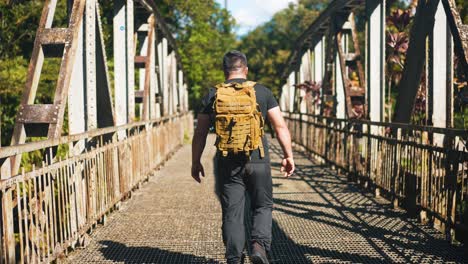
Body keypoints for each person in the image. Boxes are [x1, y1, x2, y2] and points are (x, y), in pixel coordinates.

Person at [191, 50, 295, 264]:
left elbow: (200, 132)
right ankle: (258, 247)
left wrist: (195, 161)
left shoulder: (213, 94)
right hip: (258, 160)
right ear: (245, 70)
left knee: (233, 212)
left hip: (228, 162)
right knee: (262, 206)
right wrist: (288, 155)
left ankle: (234, 258)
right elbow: (280, 126)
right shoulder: (262, 91)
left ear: (224, 70)